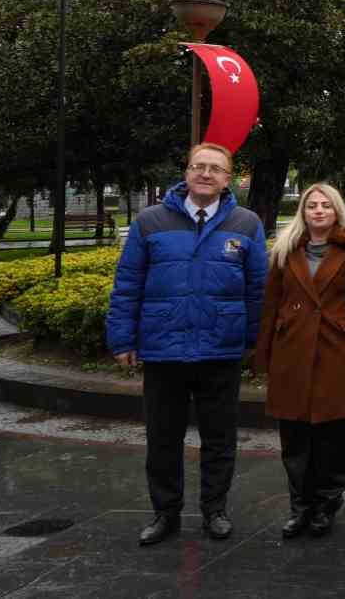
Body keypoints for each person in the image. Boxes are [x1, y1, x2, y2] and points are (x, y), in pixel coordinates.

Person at [105, 142, 268, 546]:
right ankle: (165, 512)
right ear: (187, 171)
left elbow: (258, 291)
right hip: (164, 350)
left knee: (220, 439)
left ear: (228, 178)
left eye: (216, 168)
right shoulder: (150, 221)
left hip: (221, 350)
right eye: (199, 166)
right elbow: (127, 285)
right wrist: (123, 337)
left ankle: (215, 510)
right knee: (163, 438)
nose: (206, 174)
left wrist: (255, 341)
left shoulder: (247, 224)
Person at [252, 182, 345, 539]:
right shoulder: (285, 250)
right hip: (292, 353)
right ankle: (300, 507)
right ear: (303, 213)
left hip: (338, 354)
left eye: (326, 205)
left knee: (333, 440)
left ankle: (325, 506)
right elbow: (270, 305)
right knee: (294, 440)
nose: (319, 210)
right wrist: (264, 356)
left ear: (336, 210)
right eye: (312, 206)